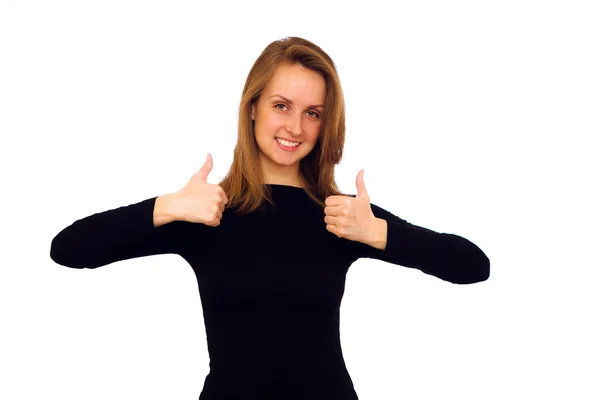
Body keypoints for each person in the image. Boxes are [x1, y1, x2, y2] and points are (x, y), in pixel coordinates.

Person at [50, 36, 490, 400]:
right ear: (253, 106)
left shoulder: (340, 216)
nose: (295, 127)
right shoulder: (206, 211)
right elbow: (68, 249)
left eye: (312, 113)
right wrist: (165, 208)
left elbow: (473, 266)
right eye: (282, 105)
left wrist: (381, 232)